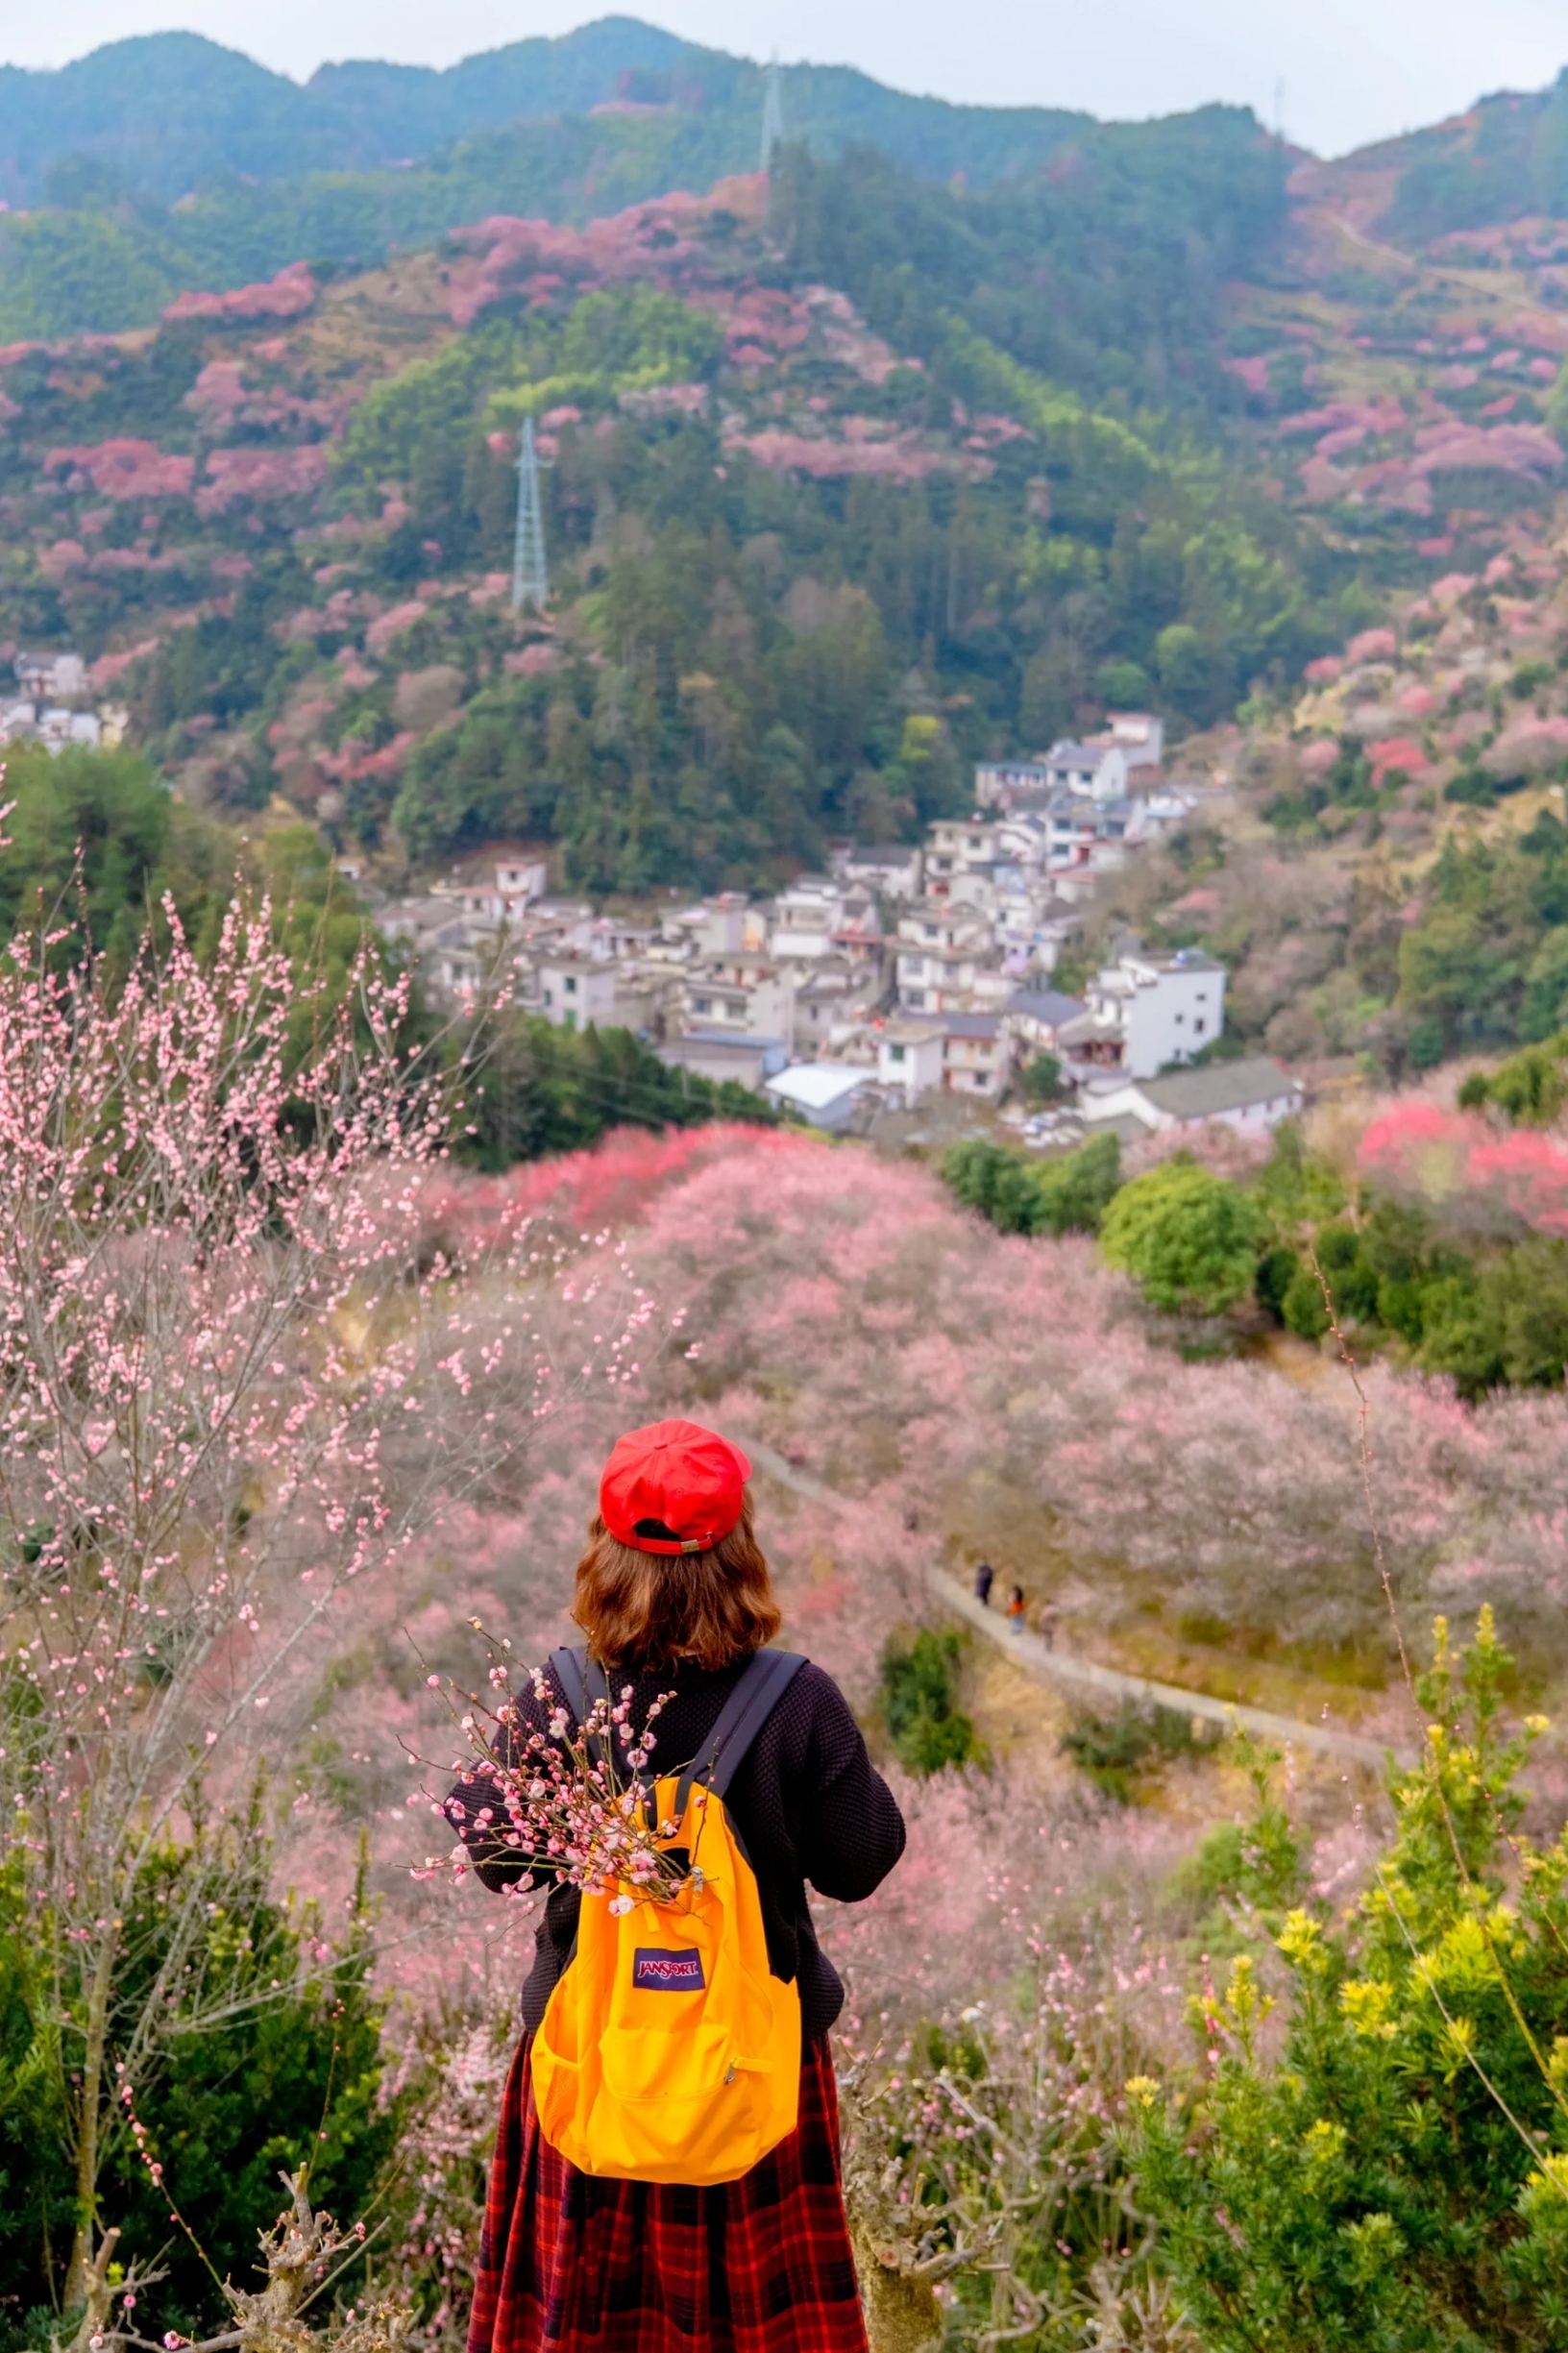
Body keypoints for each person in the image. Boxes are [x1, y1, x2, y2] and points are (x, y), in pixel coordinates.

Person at [446, 1418, 906, 2353]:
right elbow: (862, 1861)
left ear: (605, 1554)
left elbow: (494, 1855)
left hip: (596, 2065)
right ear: (741, 1551)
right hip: (751, 2072)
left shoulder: (561, 1696)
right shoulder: (797, 1698)